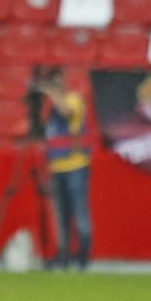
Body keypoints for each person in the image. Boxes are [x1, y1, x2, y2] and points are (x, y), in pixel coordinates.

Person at [38, 67, 91, 269]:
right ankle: (63, 254)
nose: (54, 84)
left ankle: (83, 255)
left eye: (56, 80)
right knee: (60, 216)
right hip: (56, 165)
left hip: (76, 164)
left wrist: (52, 92)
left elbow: (66, 112)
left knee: (79, 213)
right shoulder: (49, 107)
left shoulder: (73, 99)